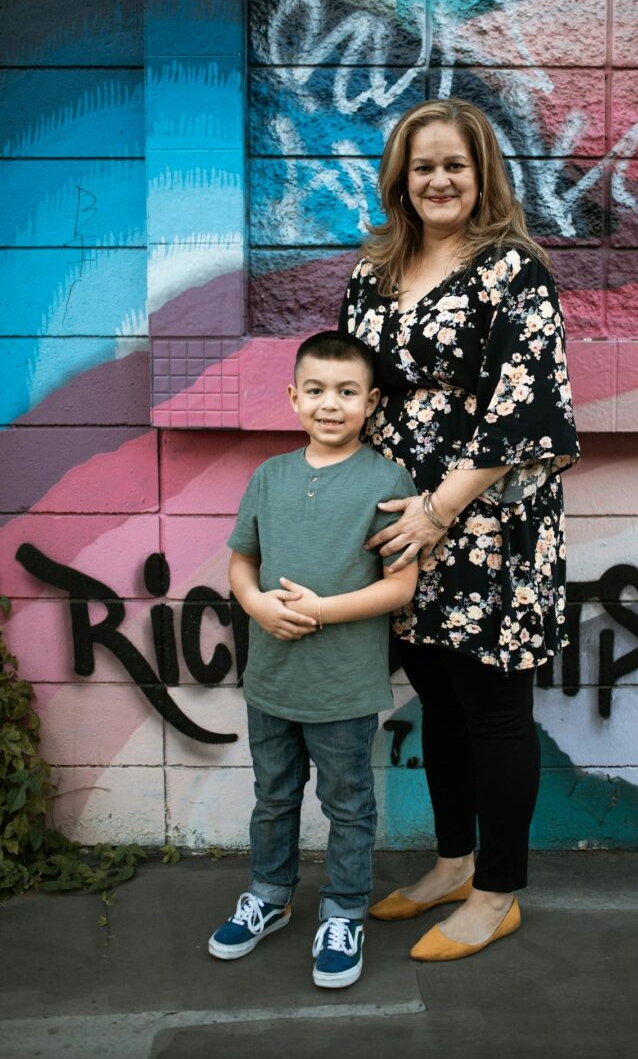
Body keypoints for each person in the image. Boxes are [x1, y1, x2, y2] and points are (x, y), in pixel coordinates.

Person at [339, 98, 580, 962]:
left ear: (483, 176)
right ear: (400, 178)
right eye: (423, 165)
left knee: (493, 710)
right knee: (436, 699)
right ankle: (451, 862)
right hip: (400, 521)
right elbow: (350, 391)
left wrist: (442, 510)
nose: (438, 180)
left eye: (455, 165)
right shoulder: (372, 272)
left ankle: (499, 892)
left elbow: (531, 413)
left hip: (488, 523)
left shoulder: (513, 270)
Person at [208, 331, 418, 988]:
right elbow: (242, 559)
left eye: (348, 392)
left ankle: (344, 911)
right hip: (271, 681)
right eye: (318, 391)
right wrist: (256, 606)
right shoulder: (269, 476)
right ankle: (269, 897)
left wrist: (321, 610)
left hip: (344, 689)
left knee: (348, 804)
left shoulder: (387, 480)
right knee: (273, 798)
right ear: (294, 398)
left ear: (371, 401)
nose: (332, 404)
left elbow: (400, 587)